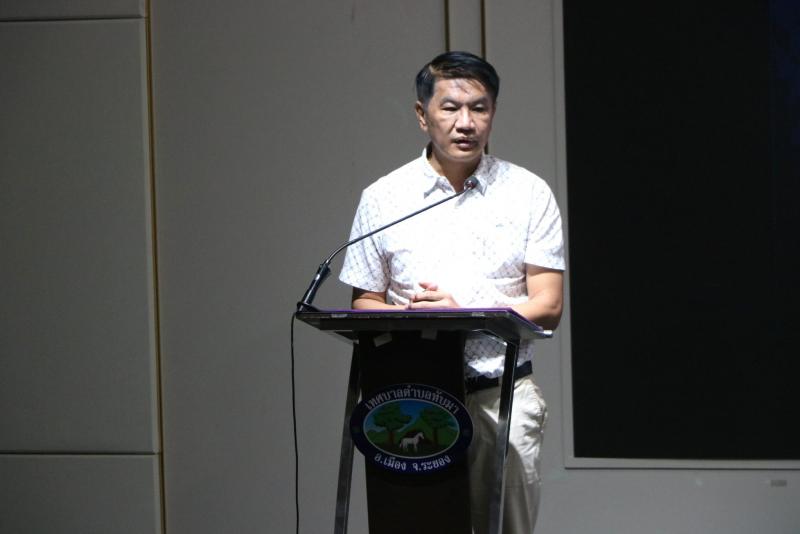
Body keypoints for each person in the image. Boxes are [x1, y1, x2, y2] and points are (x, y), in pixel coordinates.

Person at [339, 51, 565, 534]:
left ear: (493, 113)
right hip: (413, 397)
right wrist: (414, 320)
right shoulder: (384, 197)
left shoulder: (528, 193)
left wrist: (465, 315)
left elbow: (548, 306)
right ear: (422, 115)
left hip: (501, 395)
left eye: (479, 108)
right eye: (450, 108)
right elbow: (364, 301)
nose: (466, 123)